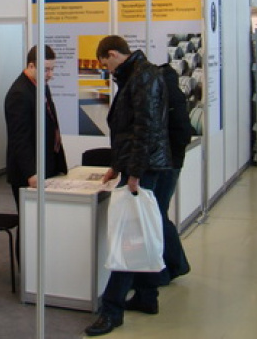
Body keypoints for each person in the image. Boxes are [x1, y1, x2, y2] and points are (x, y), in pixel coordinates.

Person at [85, 36, 171, 337]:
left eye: (105, 64)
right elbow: (131, 129)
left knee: (129, 238)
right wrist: (117, 165)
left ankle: (112, 310)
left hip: (143, 168)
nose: (106, 70)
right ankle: (147, 296)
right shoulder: (137, 75)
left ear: (113, 54)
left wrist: (133, 173)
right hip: (142, 165)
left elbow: (145, 129)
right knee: (141, 232)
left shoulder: (142, 77)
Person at [5, 45, 67, 213]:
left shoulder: (40, 85)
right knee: (29, 221)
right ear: (31, 66)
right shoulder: (19, 93)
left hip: (46, 163)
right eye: (46, 70)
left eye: (52, 69)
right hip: (29, 172)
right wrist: (31, 173)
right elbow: (19, 138)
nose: (50, 75)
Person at [151, 63, 192, 285]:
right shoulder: (174, 94)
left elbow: (180, 133)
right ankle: (170, 265)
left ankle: (175, 264)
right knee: (159, 212)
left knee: (158, 213)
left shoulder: (168, 97)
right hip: (171, 162)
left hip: (168, 164)